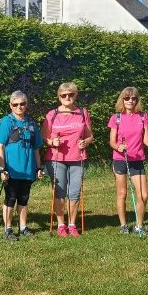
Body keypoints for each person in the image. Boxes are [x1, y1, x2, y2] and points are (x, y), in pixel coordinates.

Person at [42, 82, 94, 237]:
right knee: (59, 191)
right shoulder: (52, 114)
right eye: (63, 95)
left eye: (70, 94)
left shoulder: (82, 113)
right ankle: (61, 225)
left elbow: (90, 136)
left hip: (77, 157)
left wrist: (85, 142)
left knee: (75, 192)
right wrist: (52, 142)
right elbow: (43, 137)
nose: (67, 97)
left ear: (75, 95)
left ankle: (72, 224)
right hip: (56, 158)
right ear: (59, 97)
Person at [0, 90, 44, 242]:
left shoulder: (31, 124)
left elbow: (36, 148)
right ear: (10, 105)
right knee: (11, 198)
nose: (19, 107)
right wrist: (3, 169)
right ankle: (8, 229)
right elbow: (0, 146)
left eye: (22, 104)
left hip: (27, 169)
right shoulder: (6, 122)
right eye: (15, 104)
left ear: (26, 105)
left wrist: (39, 168)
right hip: (11, 170)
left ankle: (23, 227)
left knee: (23, 198)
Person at [107, 87, 148, 236]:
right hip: (121, 159)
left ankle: (139, 225)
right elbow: (112, 142)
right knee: (122, 193)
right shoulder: (116, 118)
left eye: (133, 98)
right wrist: (118, 147)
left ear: (137, 100)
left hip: (137, 159)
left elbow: (146, 140)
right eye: (127, 98)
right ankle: (123, 225)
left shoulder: (143, 117)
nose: (130, 101)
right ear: (122, 99)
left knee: (143, 195)